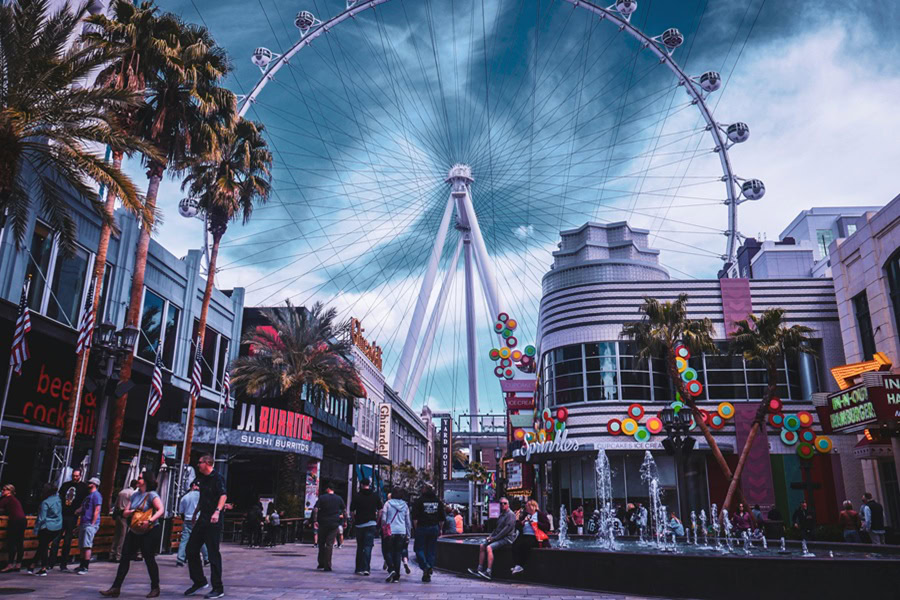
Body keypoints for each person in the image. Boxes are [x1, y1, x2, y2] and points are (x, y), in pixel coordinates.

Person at [100, 471, 165, 598]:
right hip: (135, 530)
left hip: (150, 530)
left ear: (146, 480)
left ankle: (155, 587)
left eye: (140, 478)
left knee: (149, 558)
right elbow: (125, 512)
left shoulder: (152, 495)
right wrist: (130, 512)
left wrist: (150, 520)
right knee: (125, 557)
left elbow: (161, 510)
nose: (138, 479)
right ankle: (115, 587)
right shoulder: (135, 495)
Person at [184, 455, 228, 599]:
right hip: (202, 518)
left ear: (208, 463)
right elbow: (203, 499)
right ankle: (199, 581)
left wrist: (217, 511)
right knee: (191, 549)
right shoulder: (202, 479)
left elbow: (223, 496)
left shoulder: (218, 477)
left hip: (213, 520)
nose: (198, 465)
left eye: (200, 462)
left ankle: (218, 587)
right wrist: (196, 512)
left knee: (213, 553)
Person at [467, 496, 515, 581]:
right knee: (482, 545)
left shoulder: (510, 515)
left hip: (507, 538)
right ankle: (479, 569)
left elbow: (506, 530)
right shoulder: (501, 515)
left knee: (489, 548)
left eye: (505, 503)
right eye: (501, 503)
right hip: (498, 537)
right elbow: (497, 528)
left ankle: (489, 572)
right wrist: (490, 536)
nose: (503, 505)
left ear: (508, 504)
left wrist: (494, 538)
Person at [52, 467, 88, 571]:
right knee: (56, 538)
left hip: (72, 516)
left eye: (77, 476)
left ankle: (63, 563)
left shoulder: (83, 487)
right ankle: (52, 562)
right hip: (62, 514)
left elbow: (85, 501)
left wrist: (79, 510)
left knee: (67, 540)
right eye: (73, 476)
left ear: (80, 476)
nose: (75, 478)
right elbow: (60, 497)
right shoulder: (65, 485)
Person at [411, 484, 444, 582]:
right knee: (431, 550)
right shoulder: (438, 502)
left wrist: (416, 529)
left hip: (422, 527)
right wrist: (440, 529)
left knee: (419, 549)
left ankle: (425, 566)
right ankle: (429, 568)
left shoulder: (419, 501)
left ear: (424, 490)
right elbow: (442, 518)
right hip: (434, 527)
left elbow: (415, 518)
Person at [29, 483, 63, 576]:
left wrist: (36, 529)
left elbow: (41, 518)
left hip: (47, 527)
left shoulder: (45, 502)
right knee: (43, 546)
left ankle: (43, 568)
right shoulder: (58, 500)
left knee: (43, 546)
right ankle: (32, 565)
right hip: (57, 527)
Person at [350, 477, 382, 576]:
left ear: (361, 484)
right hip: (371, 523)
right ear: (369, 484)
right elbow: (380, 510)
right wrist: (377, 520)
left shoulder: (357, 496)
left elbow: (352, 511)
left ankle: (359, 568)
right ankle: (366, 568)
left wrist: (354, 519)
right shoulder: (375, 496)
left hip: (360, 524)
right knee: (368, 547)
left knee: (360, 546)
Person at [312, 483, 346, 572]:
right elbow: (344, 511)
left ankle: (321, 563)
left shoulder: (322, 498)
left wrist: (315, 520)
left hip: (323, 523)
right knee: (329, 544)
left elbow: (315, 509)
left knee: (321, 543)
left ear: (328, 489)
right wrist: (344, 521)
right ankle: (328, 565)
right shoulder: (339, 498)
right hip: (334, 523)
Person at [510, 500, 551, 575]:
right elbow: (518, 527)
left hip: (534, 536)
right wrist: (521, 522)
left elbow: (547, 526)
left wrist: (534, 523)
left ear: (533, 507)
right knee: (515, 545)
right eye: (526, 507)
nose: (526, 509)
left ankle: (521, 565)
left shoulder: (540, 515)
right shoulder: (526, 515)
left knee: (526, 544)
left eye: (528, 507)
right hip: (524, 534)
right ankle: (517, 565)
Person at [381, 488, 412, 583]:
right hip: (401, 532)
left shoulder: (388, 504)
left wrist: (384, 528)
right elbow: (408, 521)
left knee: (387, 551)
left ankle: (391, 569)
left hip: (390, 531)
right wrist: (408, 534)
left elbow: (383, 518)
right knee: (397, 553)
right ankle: (396, 577)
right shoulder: (405, 505)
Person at [74, 477, 102, 575]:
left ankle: (85, 566)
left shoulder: (96, 495)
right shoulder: (89, 496)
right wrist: (78, 511)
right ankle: (82, 564)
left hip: (89, 523)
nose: (88, 484)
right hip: (84, 522)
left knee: (87, 545)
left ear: (94, 484)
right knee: (82, 545)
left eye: (90, 482)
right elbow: (84, 507)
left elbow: (97, 510)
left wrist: (92, 524)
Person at [177, 481, 208, 567]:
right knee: (201, 540)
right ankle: (206, 558)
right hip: (198, 520)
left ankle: (180, 559)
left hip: (187, 520)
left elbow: (181, 512)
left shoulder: (184, 498)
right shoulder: (202, 496)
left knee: (184, 540)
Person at [0, 484, 26, 572]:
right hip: (22, 520)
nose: (2, 491)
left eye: (4, 490)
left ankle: (10, 564)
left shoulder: (7, 499)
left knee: (11, 542)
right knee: (19, 542)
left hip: (15, 521)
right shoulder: (15, 500)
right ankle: (18, 564)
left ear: (9, 491)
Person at [110, 480, 137, 563]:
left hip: (118, 514)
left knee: (116, 536)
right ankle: (118, 555)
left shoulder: (122, 492)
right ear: (135, 486)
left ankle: (112, 554)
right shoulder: (133, 494)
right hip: (125, 516)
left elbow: (116, 504)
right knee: (122, 536)